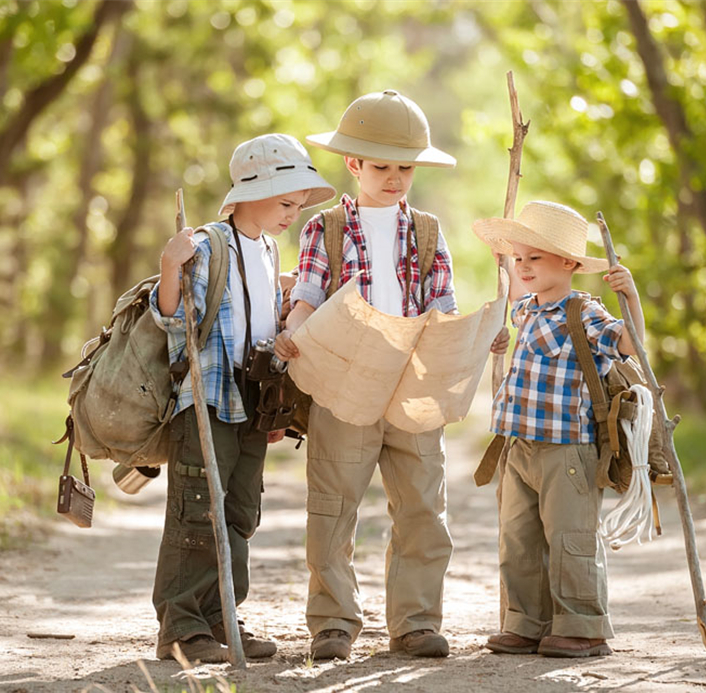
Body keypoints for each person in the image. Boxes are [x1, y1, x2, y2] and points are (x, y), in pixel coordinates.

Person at [274, 89, 508, 660]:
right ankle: (332, 620)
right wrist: (292, 334)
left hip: (413, 382)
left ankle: (416, 620)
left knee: (423, 506)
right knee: (334, 503)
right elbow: (306, 294)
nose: (396, 178)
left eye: (406, 167)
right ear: (353, 164)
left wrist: (475, 339)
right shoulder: (323, 229)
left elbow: (442, 306)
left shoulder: (427, 232)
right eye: (382, 167)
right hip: (344, 378)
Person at [149, 133, 334, 662]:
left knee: (239, 511)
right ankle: (181, 627)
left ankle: (223, 615)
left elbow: (260, 324)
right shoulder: (207, 244)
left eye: (298, 206)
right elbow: (169, 317)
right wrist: (169, 268)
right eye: (285, 202)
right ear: (250, 193)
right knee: (197, 510)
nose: (292, 214)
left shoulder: (270, 249)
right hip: (208, 399)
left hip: (252, 400)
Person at [472, 200, 645, 658]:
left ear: (568, 263)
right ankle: (527, 622)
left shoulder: (583, 311)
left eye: (536, 258)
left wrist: (631, 300)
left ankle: (582, 624)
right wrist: (500, 301)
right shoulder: (526, 309)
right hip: (519, 445)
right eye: (519, 258)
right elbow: (507, 300)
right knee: (518, 538)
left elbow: (629, 344)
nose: (524, 267)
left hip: (567, 449)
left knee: (570, 538)